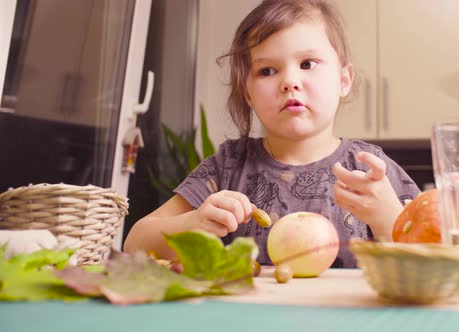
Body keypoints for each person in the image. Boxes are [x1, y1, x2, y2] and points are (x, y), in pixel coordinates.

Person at [124, 0, 420, 268]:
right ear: (248, 93)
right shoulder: (227, 166)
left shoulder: (369, 171)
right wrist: (194, 222)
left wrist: (388, 218)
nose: (290, 81)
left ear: (344, 80)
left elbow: (434, 261)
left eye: (307, 64)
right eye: (267, 71)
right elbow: (134, 244)